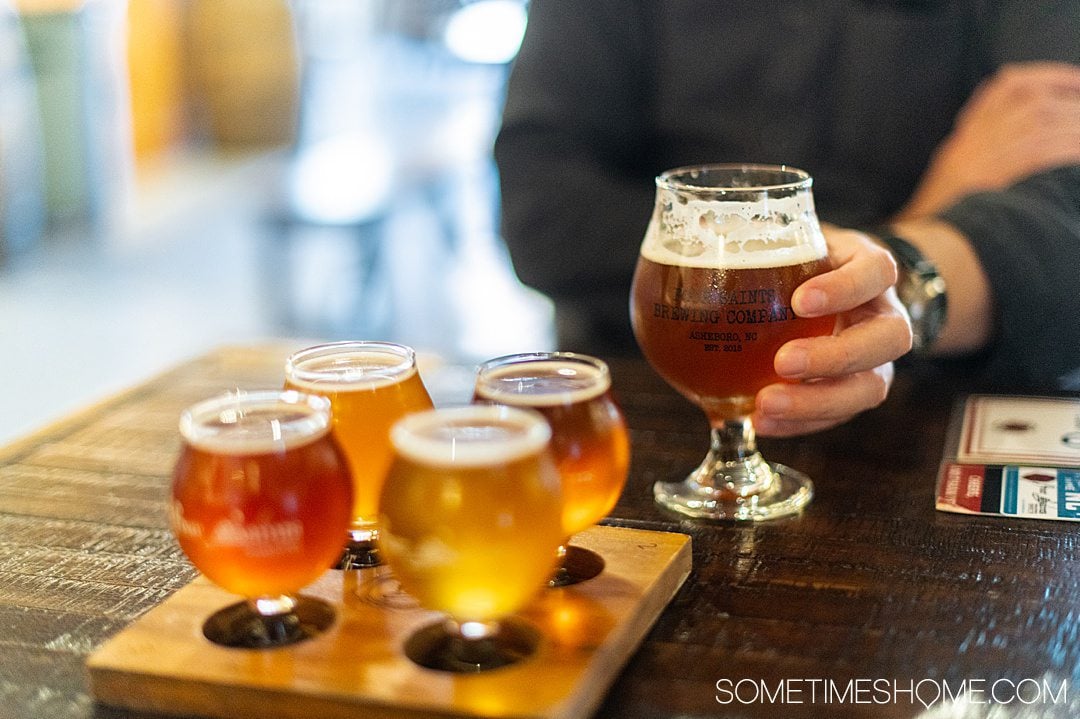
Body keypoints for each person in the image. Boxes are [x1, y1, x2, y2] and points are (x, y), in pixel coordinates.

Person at [493, 0, 1080, 437]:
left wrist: (901, 280)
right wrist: (892, 240)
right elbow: (544, 213)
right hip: (646, 413)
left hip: (938, 415)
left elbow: (1064, 200)